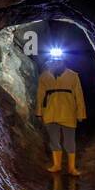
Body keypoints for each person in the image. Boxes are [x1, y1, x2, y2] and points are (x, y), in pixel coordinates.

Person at [36, 47, 86, 175]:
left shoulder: (73, 76)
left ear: (63, 61)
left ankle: (71, 168)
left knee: (69, 141)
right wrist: (39, 112)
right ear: (51, 61)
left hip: (68, 111)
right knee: (54, 140)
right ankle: (57, 165)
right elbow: (40, 95)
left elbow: (79, 96)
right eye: (54, 60)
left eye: (59, 60)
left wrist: (80, 113)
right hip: (50, 112)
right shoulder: (44, 76)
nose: (56, 62)